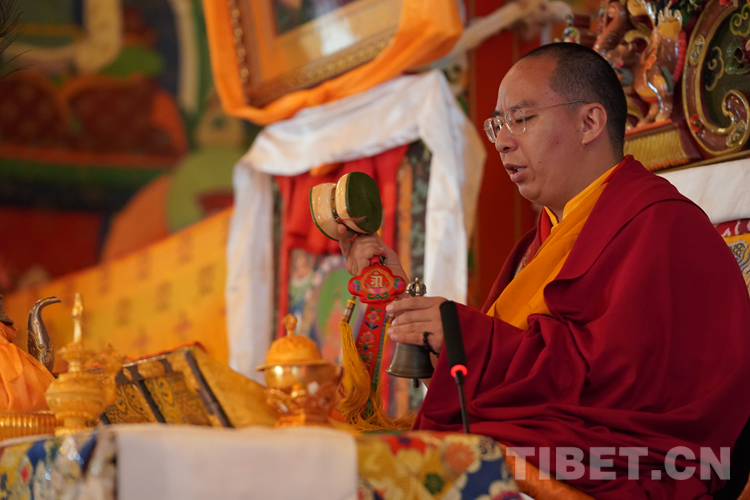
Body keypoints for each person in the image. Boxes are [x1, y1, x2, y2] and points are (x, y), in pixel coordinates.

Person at [337, 43, 750, 499]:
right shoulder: (535, 246)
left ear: (589, 123)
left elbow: (617, 385)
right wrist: (404, 302)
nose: (502, 141)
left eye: (522, 119)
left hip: (635, 459)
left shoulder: (662, 225)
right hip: (546, 441)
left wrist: (465, 335)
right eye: (497, 124)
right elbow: (511, 381)